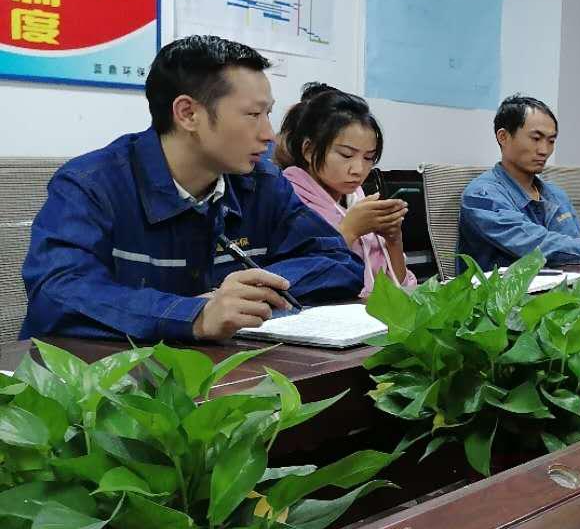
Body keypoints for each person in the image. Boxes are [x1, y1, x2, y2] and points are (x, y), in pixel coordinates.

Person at [21, 35, 363, 342]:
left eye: (268, 114)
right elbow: (56, 293)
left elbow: (338, 261)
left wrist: (254, 290)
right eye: (253, 115)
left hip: (223, 374)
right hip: (104, 378)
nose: (268, 134)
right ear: (187, 114)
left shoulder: (263, 184)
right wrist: (194, 315)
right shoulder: (91, 184)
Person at [460, 95, 580, 271]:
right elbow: (535, 244)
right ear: (503, 137)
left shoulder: (555, 195)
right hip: (498, 297)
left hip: (557, 290)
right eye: (536, 139)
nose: (544, 150)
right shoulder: (481, 195)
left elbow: (572, 251)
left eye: (551, 141)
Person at [277, 84, 417, 298]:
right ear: (309, 150)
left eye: (369, 158)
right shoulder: (288, 199)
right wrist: (350, 230)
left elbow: (399, 288)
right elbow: (299, 282)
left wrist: (393, 240)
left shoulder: (356, 198)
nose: (358, 169)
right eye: (346, 155)